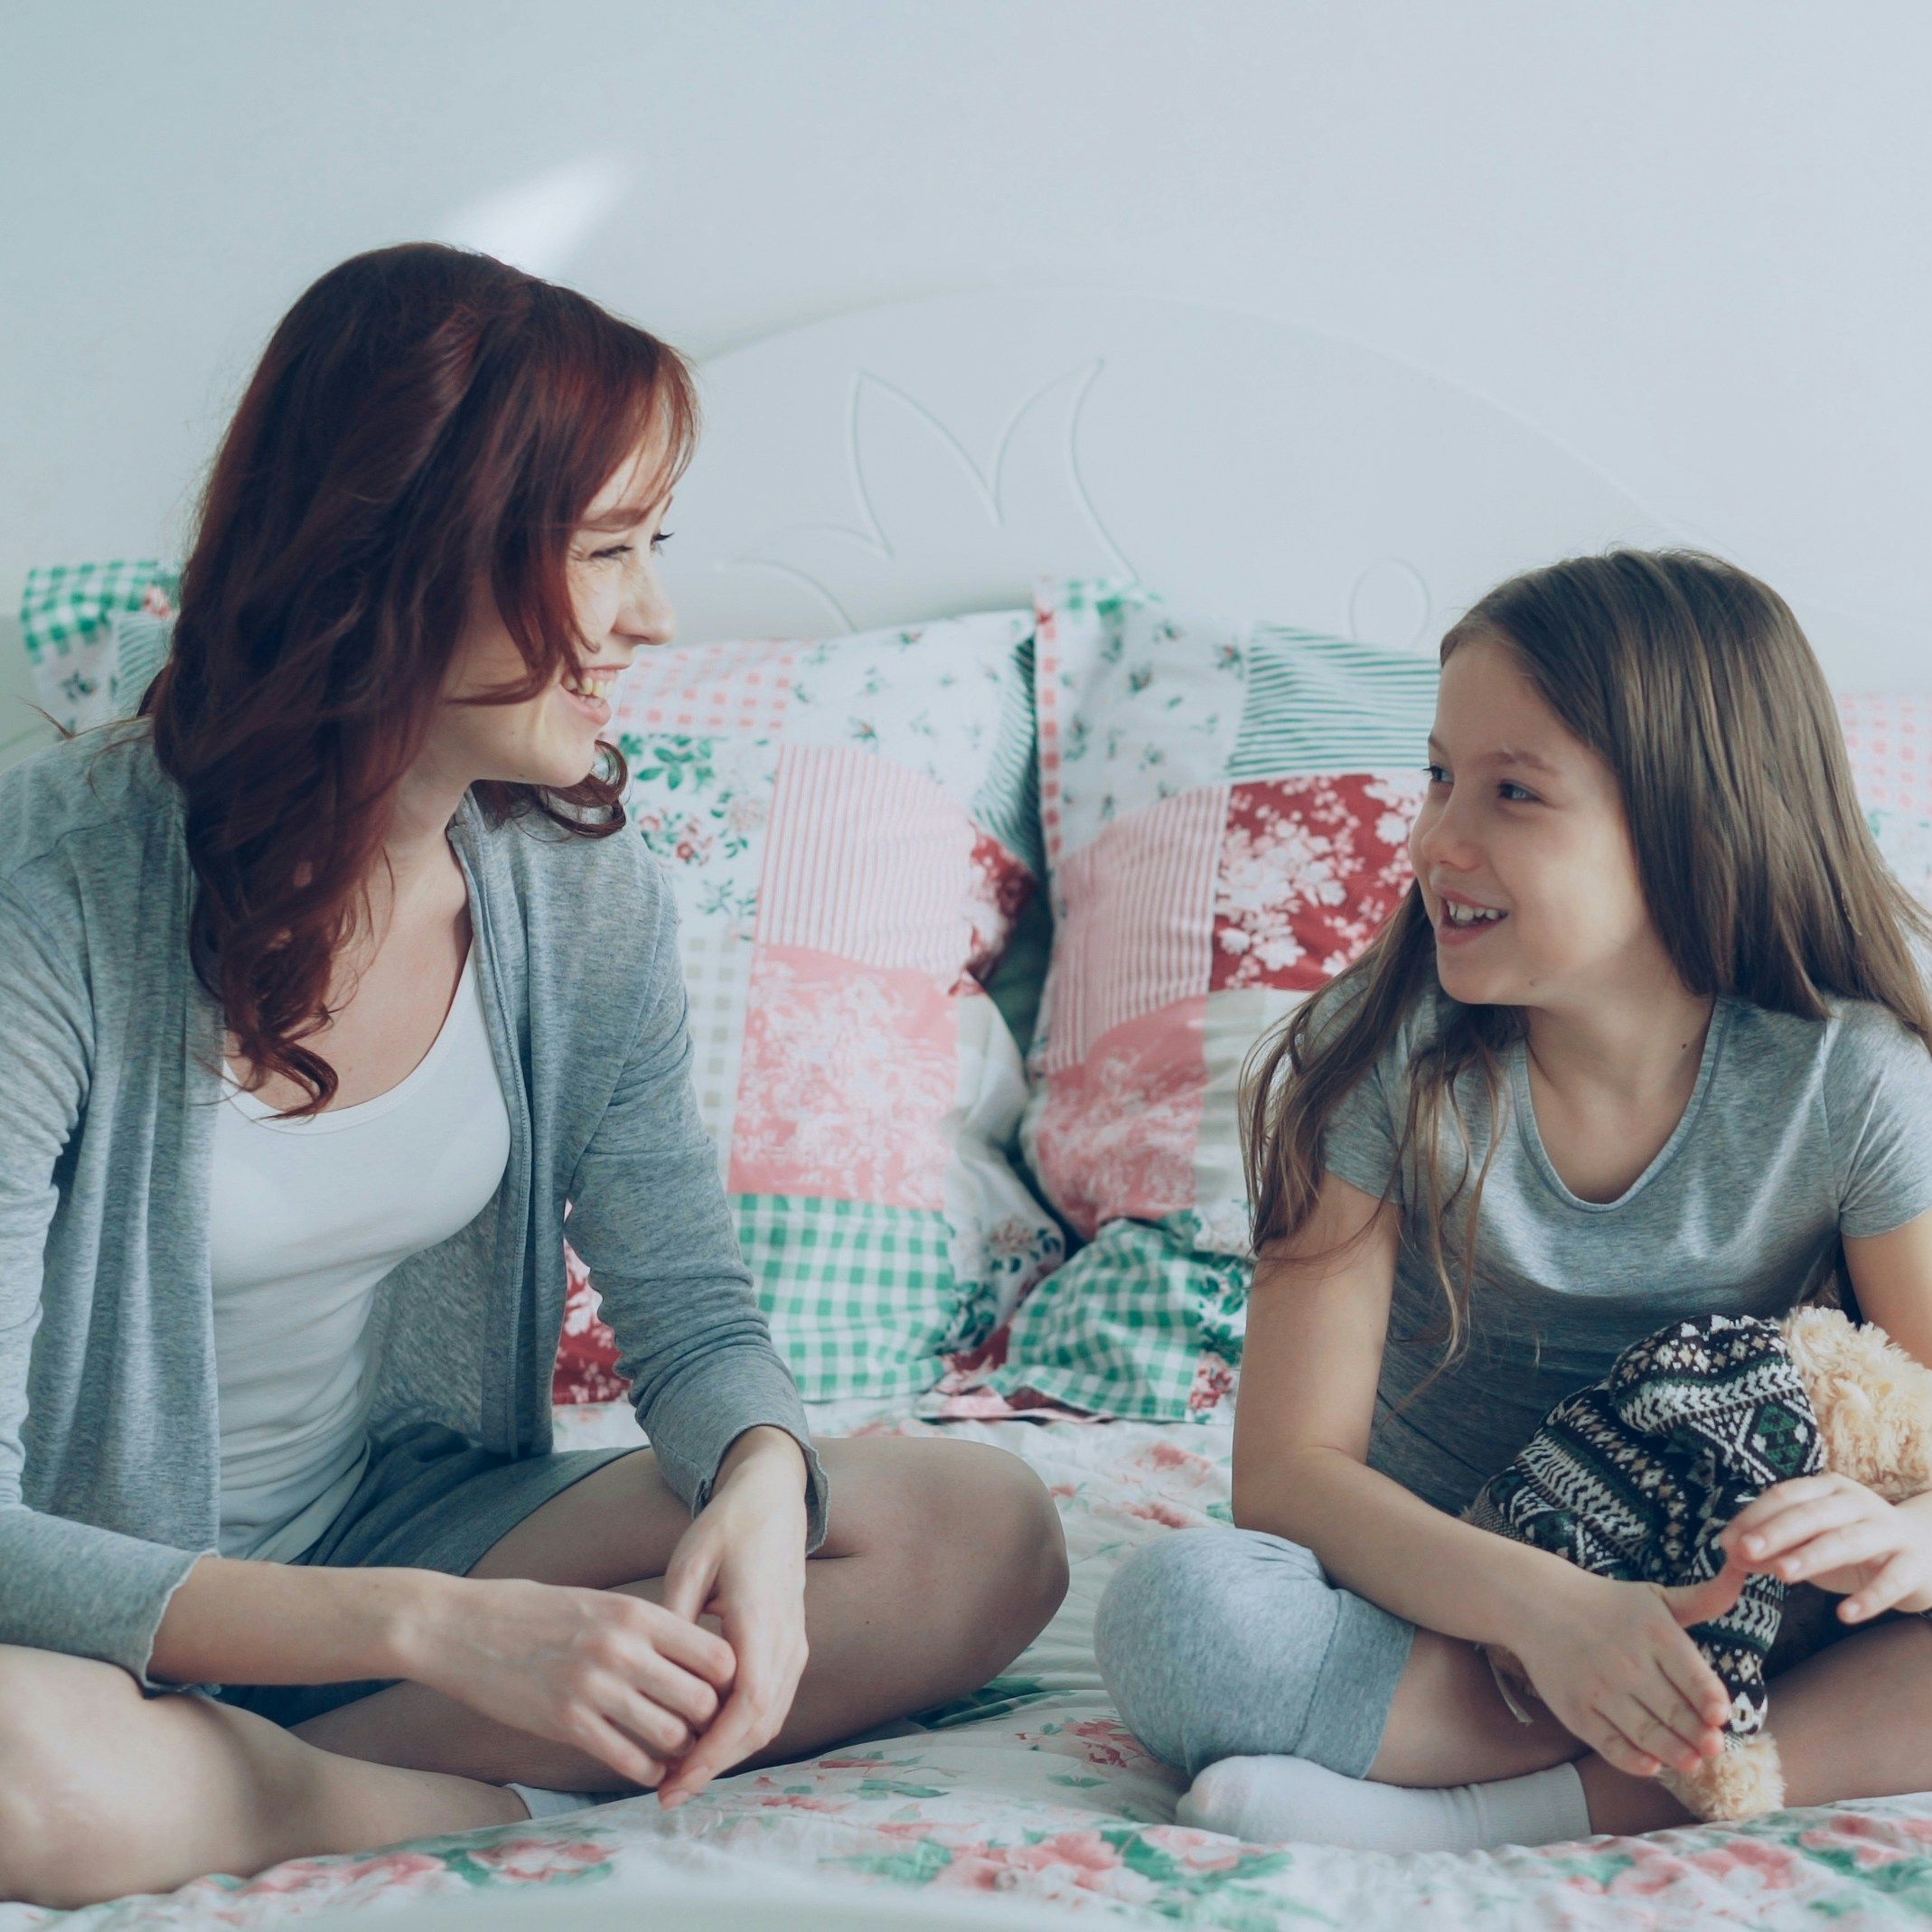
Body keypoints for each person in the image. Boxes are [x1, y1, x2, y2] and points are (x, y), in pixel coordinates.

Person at [0, 243, 1068, 1910]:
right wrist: (439, 1630)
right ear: (406, 554)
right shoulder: (54, 894)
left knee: (977, 1529)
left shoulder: (573, 884)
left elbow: (690, 1310)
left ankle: (280, 1785)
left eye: (655, 547)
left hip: (394, 1517)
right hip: (99, 1603)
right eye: (605, 550)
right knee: (13, 1755)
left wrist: (760, 1477)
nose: (652, 616)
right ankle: (419, 1789)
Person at [1096, 549, 1932, 1851]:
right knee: (1183, 1615)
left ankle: (1493, 1816)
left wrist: (1908, 1539)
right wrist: (1549, 1612)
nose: (1432, 838)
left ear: (1693, 822)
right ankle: (1591, 1759)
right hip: (1447, 1606)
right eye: (1438, 775)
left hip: (1740, 1619)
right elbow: (1290, 1475)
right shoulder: (1377, 1061)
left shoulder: (1849, 1079)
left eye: (1512, 791)